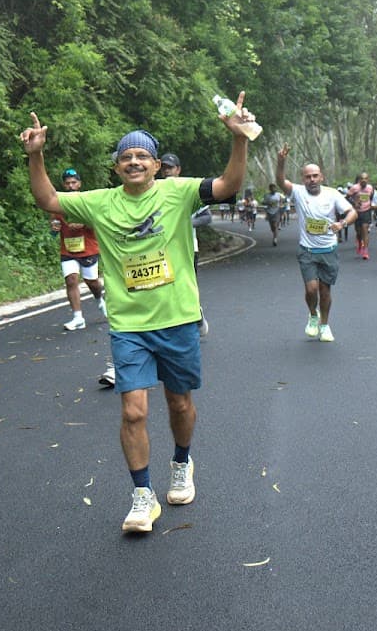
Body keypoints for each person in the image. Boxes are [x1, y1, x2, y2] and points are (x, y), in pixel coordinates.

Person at [20, 94, 254, 534]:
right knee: (132, 412)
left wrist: (238, 140)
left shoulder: (178, 192)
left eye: (141, 155)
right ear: (115, 167)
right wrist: (36, 156)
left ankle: (182, 462)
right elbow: (48, 199)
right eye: (125, 156)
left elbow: (227, 185)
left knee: (179, 401)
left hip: (178, 318)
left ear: (155, 165)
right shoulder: (99, 202)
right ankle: (142, 496)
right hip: (130, 324)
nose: (133, 162)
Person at [275, 144, 356, 343]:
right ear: (303, 179)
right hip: (307, 250)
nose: (311, 180)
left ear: (322, 177)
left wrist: (342, 223)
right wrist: (281, 161)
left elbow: (352, 212)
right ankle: (313, 314)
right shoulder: (299, 192)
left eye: (315, 176)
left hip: (328, 250)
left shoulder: (332, 194)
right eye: (307, 176)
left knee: (325, 290)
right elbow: (280, 181)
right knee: (311, 289)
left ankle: (325, 325)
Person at [159, 152, 211, 336]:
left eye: (170, 168)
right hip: (161, 251)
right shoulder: (153, 191)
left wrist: (185, 223)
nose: (167, 172)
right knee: (164, 287)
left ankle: (195, 315)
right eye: (164, 168)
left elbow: (206, 217)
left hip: (188, 249)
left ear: (178, 170)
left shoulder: (189, 189)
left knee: (185, 286)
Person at [51, 168, 107, 330]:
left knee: (92, 282)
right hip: (67, 250)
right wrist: (54, 229)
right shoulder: (58, 204)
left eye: (73, 182)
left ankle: (99, 299)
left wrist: (84, 224)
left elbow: (98, 224)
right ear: (64, 185)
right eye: (67, 183)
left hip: (88, 249)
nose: (70, 185)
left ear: (79, 184)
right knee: (71, 280)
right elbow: (54, 228)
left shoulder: (86, 201)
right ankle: (78, 318)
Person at [349, 172, 376, 260]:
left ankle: (365, 250)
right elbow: (347, 197)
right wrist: (354, 203)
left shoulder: (370, 188)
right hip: (357, 212)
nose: (363, 180)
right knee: (358, 232)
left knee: (365, 230)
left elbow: (372, 197)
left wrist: (372, 205)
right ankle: (360, 243)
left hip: (366, 210)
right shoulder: (354, 188)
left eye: (365, 178)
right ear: (359, 180)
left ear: (368, 180)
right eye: (362, 178)